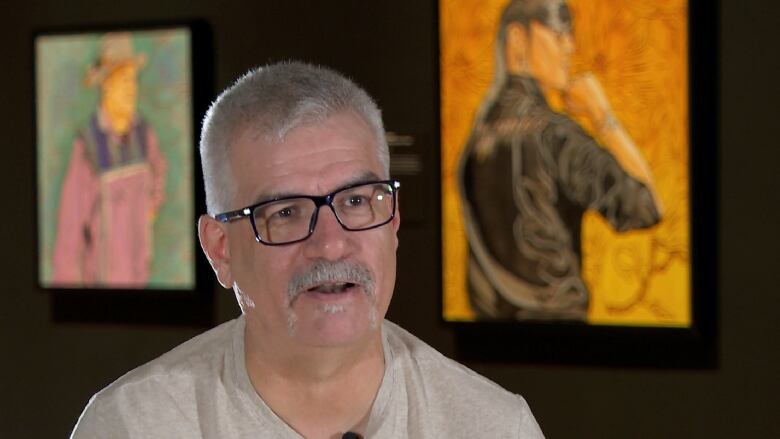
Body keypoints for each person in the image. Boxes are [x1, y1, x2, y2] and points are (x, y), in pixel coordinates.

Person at [71, 62, 544, 438]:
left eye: (356, 202)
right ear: (220, 249)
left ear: (394, 220)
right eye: (285, 213)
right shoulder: (134, 426)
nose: (331, 243)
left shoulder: (496, 426)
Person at [459, 0, 662, 320]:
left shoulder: (475, 139)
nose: (569, 45)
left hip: (488, 336)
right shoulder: (556, 136)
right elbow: (645, 205)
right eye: (557, 31)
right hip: (562, 330)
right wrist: (602, 116)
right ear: (516, 38)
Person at [52, 32, 167, 288]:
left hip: (141, 281)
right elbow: (69, 237)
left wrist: (149, 204)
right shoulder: (88, 147)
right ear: (106, 85)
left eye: (133, 81)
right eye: (124, 81)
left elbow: (159, 170)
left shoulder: (144, 136)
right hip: (103, 290)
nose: (132, 90)